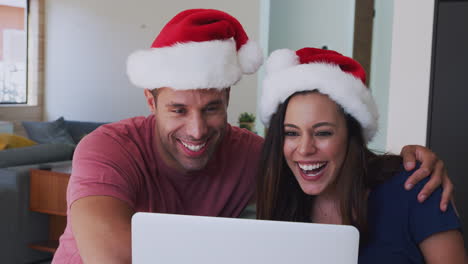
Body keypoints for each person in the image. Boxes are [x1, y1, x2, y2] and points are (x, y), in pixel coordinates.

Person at [53, 9, 452, 264]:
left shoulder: (256, 156)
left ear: (227, 97)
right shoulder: (106, 148)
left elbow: (318, 164)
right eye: (178, 109)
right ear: (150, 101)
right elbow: (111, 258)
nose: (197, 130)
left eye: (211, 108)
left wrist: (413, 157)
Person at [256, 47, 467, 263]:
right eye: (291, 133)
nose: (304, 149)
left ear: (351, 135)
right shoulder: (281, 198)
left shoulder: (414, 186)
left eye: (323, 133)